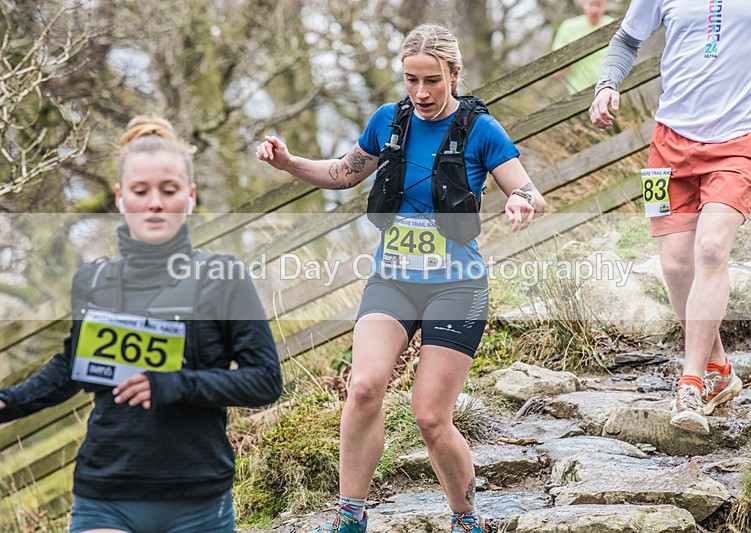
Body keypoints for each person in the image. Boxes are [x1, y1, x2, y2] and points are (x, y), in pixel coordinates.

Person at [256, 23, 545, 533]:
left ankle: (466, 519)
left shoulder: (480, 130)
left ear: (454, 73)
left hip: (457, 286)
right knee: (364, 387)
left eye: (432, 80)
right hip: (392, 281)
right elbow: (343, 172)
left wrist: (521, 202)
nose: (421, 92)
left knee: (430, 417)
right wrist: (289, 162)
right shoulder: (389, 122)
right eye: (411, 80)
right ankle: (350, 517)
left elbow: (528, 190)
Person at [0, 116, 283, 532]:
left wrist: (178, 384)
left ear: (190, 196)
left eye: (168, 191)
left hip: (199, 498)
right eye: (140, 191)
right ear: (120, 197)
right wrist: (8, 402)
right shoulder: (94, 281)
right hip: (105, 495)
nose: (154, 203)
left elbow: (265, 381)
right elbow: (72, 367)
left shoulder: (223, 278)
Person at [589, 0, 751, 434]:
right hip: (667, 145)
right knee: (674, 265)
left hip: (743, 140)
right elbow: (627, 39)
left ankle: (690, 385)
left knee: (711, 250)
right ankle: (719, 368)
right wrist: (606, 85)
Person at [552, 0, 614, 95]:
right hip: (579, 93)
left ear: (606, 5)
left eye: (599, 4)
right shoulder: (568, 28)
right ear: (582, 4)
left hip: (610, 90)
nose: (594, 10)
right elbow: (555, 71)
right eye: (591, 4)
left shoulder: (614, 26)